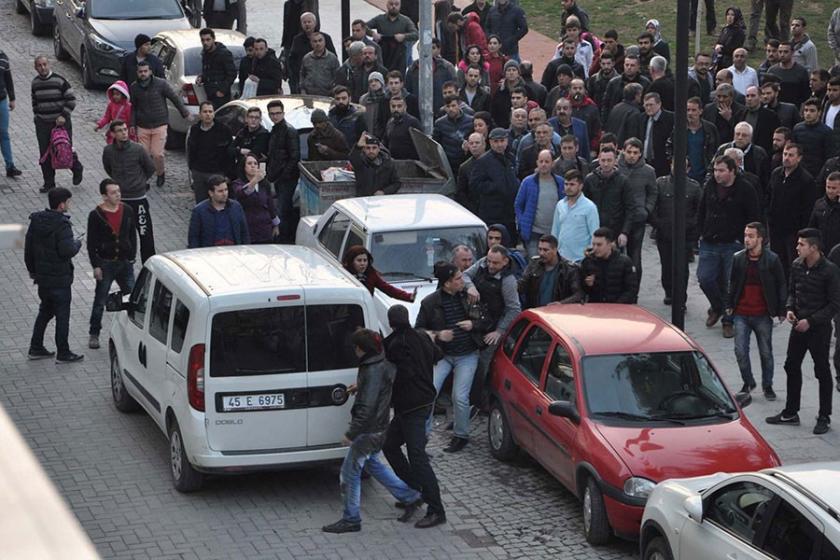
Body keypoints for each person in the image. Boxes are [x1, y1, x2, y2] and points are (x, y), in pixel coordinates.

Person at [322, 328, 424, 534]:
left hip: (368, 432)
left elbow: (367, 408)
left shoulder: (371, 370)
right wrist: (359, 386)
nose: (354, 350)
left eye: (356, 347)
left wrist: (351, 434)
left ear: (362, 349)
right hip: (379, 427)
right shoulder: (381, 361)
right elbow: (379, 386)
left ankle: (351, 519)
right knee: (373, 464)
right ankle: (411, 496)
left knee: (349, 473)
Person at [767, 228, 840, 435]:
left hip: (819, 329)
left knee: (822, 370)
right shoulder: (797, 265)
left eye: (801, 245)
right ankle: (791, 411)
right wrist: (790, 309)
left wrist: (811, 320)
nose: (797, 247)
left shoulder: (830, 270)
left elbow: (834, 304)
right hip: (798, 326)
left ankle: (824, 415)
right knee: (791, 365)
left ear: (813, 248)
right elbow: (792, 291)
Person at [382, 305, 447, 529]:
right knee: (390, 445)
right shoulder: (420, 337)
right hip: (421, 403)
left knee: (416, 456)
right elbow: (438, 355)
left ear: (391, 323)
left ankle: (436, 509)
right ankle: (416, 488)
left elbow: (390, 366)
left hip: (410, 407)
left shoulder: (392, 344)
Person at [416, 262, 485, 453]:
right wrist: (438, 335)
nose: (462, 281)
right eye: (458, 278)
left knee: (460, 397)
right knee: (429, 393)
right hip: (443, 356)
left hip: (467, 355)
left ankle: (461, 435)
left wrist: (473, 324)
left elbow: (485, 319)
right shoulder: (430, 302)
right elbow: (418, 331)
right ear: (447, 283)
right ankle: (424, 436)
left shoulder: (468, 296)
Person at [697, 155, 761, 338]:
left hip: (733, 244)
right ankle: (717, 306)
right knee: (705, 278)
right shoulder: (710, 185)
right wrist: (701, 231)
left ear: (732, 171)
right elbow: (702, 210)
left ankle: (728, 320)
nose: (717, 174)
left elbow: (754, 216)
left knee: (731, 284)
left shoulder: (745, 189)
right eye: (715, 170)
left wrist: (750, 240)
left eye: (721, 170)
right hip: (710, 241)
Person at [727, 222, 786, 399]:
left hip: (762, 313)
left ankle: (767, 385)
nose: (747, 239)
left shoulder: (772, 259)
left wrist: (781, 310)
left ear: (760, 238)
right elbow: (733, 283)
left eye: (751, 236)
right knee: (740, 350)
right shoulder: (738, 258)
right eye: (745, 235)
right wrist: (729, 305)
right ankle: (748, 382)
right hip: (742, 313)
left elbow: (781, 284)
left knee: (766, 352)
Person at [25, 187, 83, 363]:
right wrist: (77, 244)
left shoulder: (36, 221)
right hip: (59, 278)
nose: (69, 205)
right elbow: (66, 251)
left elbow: (28, 249)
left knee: (45, 311)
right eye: (68, 202)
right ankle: (63, 352)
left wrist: (33, 271)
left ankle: (36, 347)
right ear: (61, 204)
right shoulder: (62, 225)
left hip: (43, 278)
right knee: (62, 315)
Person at [462, 245, 521, 414]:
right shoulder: (482, 264)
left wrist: (499, 331)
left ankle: (480, 402)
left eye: (495, 263)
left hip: (492, 327)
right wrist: (470, 287)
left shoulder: (508, 281)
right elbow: (465, 275)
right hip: (475, 320)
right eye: (489, 261)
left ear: (505, 262)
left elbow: (514, 309)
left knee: (482, 366)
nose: (490, 266)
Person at [86, 179, 136, 350]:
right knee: (100, 299)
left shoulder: (127, 210)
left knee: (133, 297)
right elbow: (91, 242)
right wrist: (96, 265)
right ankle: (94, 333)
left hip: (124, 262)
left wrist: (132, 256)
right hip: (106, 263)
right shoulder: (96, 215)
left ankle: (134, 331)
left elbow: (131, 234)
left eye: (118, 191)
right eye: (113, 193)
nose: (118, 195)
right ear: (104, 196)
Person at [102, 120, 156, 263]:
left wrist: (140, 182)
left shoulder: (138, 149)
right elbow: (108, 168)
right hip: (121, 200)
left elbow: (150, 168)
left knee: (145, 233)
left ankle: (149, 263)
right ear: (113, 134)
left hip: (139, 199)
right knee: (123, 233)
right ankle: (127, 260)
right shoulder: (108, 151)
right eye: (119, 130)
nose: (124, 133)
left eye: (125, 130)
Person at [130, 61, 190, 188]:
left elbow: (174, 98)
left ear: (150, 71)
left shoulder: (161, 84)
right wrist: (131, 125)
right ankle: (144, 178)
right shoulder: (134, 87)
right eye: (140, 72)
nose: (143, 74)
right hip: (143, 125)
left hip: (159, 124)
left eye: (145, 71)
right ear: (137, 73)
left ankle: (160, 173)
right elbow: (133, 107)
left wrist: (185, 113)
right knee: (144, 154)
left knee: (157, 154)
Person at [651, 160, 701, 306]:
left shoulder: (694, 187)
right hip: (664, 234)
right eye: (675, 165)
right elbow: (652, 206)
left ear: (688, 168)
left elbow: (699, 211)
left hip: (685, 235)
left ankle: (680, 297)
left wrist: (691, 228)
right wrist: (658, 224)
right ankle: (669, 292)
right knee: (666, 265)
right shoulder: (660, 183)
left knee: (682, 267)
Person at [31, 56, 83, 193]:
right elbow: (34, 102)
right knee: (45, 154)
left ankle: (76, 168)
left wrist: (63, 115)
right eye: (39, 65)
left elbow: (71, 99)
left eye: (44, 64)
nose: (42, 68)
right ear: (35, 68)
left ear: (49, 64)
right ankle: (49, 182)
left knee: (64, 149)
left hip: (61, 123)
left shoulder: (60, 81)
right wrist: (37, 117)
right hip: (43, 124)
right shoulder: (35, 83)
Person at [768, 142, 816, 279]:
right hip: (776, 229)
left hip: (793, 232)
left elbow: (807, 210)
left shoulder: (806, 180)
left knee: (793, 265)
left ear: (799, 158)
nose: (786, 158)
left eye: (791, 155)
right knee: (777, 264)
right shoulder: (776, 174)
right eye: (785, 154)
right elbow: (769, 197)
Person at [583, 147, 636, 254]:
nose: (606, 164)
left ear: (615, 161)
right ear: (599, 160)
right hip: (594, 230)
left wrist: (624, 232)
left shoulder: (623, 181)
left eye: (609, 160)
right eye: (603, 160)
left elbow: (630, 209)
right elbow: (584, 206)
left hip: (615, 232)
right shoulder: (590, 180)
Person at [470, 128, 519, 241]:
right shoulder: (483, 161)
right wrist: (495, 187)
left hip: (510, 213)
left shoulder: (511, 158)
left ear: (507, 141)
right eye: (496, 141)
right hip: (492, 213)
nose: (499, 144)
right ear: (490, 142)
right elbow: (474, 185)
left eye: (502, 141)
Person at [515, 150, 565, 255]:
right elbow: (518, 205)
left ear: (552, 163)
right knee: (535, 264)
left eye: (547, 161)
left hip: (554, 233)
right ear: (537, 162)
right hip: (533, 233)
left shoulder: (560, 182)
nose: (543, 164)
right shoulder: (528, 182)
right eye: (541, 161)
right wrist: (522, 222)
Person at [265, 100, 300, 243]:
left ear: (283, 113)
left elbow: (294, 156)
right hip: (277, 176)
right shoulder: (275, 129)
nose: (275, 116)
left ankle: (282, 240)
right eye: (272, 114)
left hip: (286, 178)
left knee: (282, 211)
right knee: (281, 210)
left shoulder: (288, 130)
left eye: (278, 113)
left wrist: (284, 176)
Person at [518, 234, 584, 309]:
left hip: (558, 314)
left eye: (546, 250)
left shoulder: (569, 269)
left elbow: (578, 294)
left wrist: (561, 304)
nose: (541, 253)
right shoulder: (534, 264)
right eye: (540, 249)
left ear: (555, 250)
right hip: (536, 312)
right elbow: (522, 284)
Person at [187, 102, 233, 203]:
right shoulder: (194, 130)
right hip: (199, 172)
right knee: (201, 203)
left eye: (210, 111)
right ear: (200, 114)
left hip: (217, 172)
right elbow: (191, 151)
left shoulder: (223, 130)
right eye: (205, 111)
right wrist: (192, 168)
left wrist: (228, 174)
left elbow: (229, 154)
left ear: (213, 114)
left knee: (219, 203)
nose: (208, 114)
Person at [551, 169, 599, 263]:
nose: (568, 187)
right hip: (561, 258)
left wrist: (590, 257)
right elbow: (555, 231)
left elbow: (594, 234)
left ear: (581, 186)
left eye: (572, 184)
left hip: (581, 259)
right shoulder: (560, 205)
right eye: (566, 184)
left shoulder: (590, 207)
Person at [187, 175, 250, 248]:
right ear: (211, 193)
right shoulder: (199, 211)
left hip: (233, 253)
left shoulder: (236, 207)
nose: (224, 194)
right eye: (220, 191)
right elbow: (194, 238)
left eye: (226, 190)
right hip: (210, 254)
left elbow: (244, 232)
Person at [580, 227, 638, 303]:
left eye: (599, 245)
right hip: (596, 308)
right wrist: (588, 285)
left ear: (610, 244)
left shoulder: (625, 262)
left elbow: (631, 290)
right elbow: (581, 291)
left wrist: (616, 306)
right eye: (593, 244)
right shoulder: (587, 262)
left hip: (619, 308)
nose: (595, 248)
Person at [231, 154, 279, 244]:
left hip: (265, 228)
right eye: (249, 163)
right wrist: (254, 181)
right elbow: (242, 193)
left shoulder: (264, 184)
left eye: (255, 163)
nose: (253, 166)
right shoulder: (237, 184)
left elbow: (271, 205)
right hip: (248, 228)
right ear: (243, 167)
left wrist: (276, 224)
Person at [342, 245, 416, 302]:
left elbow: (388, 289)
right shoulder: (343, 275)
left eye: (365, 260)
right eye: (359, 260)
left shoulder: (371, 274)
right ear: (352, 262)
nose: (363, 263)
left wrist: (408, 296)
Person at [288, 12, 336, 94]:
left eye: (309, 22)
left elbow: (334, 61)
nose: (307, 24)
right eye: (304, 22)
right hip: (306, 83)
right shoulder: (297, 40)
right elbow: (292, 59)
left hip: (325, 86)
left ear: (315, 23)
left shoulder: (325, 37)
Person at [366, 0, 418, 72]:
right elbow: (363, 26)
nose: (393, 6)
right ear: (387, 5)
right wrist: (372, 34)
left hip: (399, 54)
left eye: (396, 4)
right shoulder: (380, 19)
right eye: (391, 4)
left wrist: (404, 36)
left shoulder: (405, 21)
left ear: (400, 6)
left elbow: (415, 34)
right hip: (383, 52)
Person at [792, 98, 835, 179]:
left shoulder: (826, 132)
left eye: (812, 111)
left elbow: (829, 155)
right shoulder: (797, 128)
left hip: (818, 172)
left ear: (819, 113)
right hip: (800, 171)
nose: (808, 113)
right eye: (806, 110)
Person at [196, 28, 236, 109]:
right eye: (203, 40)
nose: (205, 43)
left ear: (213, 39)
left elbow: (232, 74)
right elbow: (208, 71)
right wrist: (201, 77)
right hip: (210, 93)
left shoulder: (224, 54)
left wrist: (222, 90)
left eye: (208, 40)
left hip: (220, 95)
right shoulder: (205, 53)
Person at [434, 95, 474, 174]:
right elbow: (436, 143)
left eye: (453, 105)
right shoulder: (440, 123)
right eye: (448, 106)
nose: (451, 109)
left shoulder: (471, 121)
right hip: (448, 165)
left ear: (459, 105)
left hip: (466, 163)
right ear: (444, 108)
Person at [767, 41, 811, 108]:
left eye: (785, 52)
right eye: (780, 52)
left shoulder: (801, 71)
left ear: (792, 53)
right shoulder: (772, 71)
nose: (782, 54)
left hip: (795, 109)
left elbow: (806, 96)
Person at [299, 32, 340, 96]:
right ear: (311, 44)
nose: (318, 43)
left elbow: (337, 78)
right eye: (315, 41)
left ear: (324, 42)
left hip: (327, 95)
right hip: (309, 95)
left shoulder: (332, 58)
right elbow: (302, 75)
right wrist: (302, 90)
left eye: (320, 41)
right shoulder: (306, 58)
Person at [0, 47, 19, 178]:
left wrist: (12, 98)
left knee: (4, 134)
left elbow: (8, 78)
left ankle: (10, 166)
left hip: (1, 99)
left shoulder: (2, 56)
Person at [810, 172, 840, 257]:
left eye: (834, 188)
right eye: (828, 187)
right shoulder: (819, 204)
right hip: (822, 252)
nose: (830, 191)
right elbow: (812, 227)